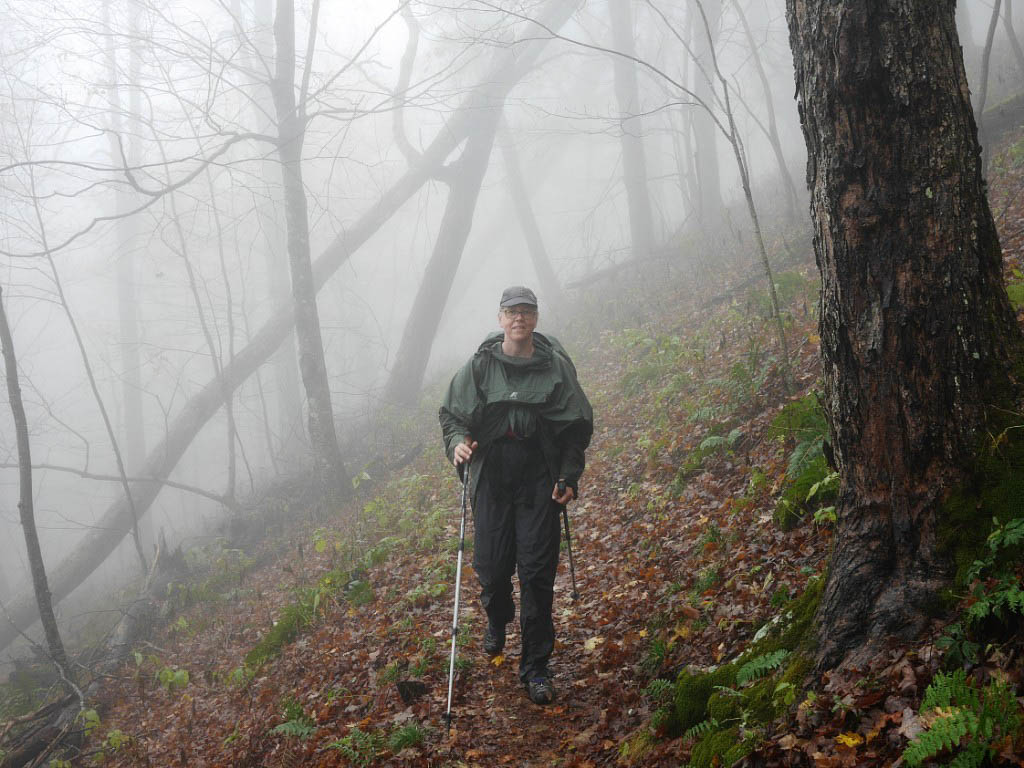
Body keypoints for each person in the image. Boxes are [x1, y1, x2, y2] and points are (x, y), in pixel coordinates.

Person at [439, 285, 593, 705]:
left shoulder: (555, 368)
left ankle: (536, 669)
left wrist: (568, 475)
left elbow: (575, 430)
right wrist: (457, 442)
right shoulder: (480, 367)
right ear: (500, 318)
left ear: (536, 318)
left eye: (526, 311)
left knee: (537, 574)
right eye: (512, 312)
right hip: (492, 475)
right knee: (490, 568)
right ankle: (498, 618)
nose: (519, 319)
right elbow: (452, 416)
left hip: (537, 475)